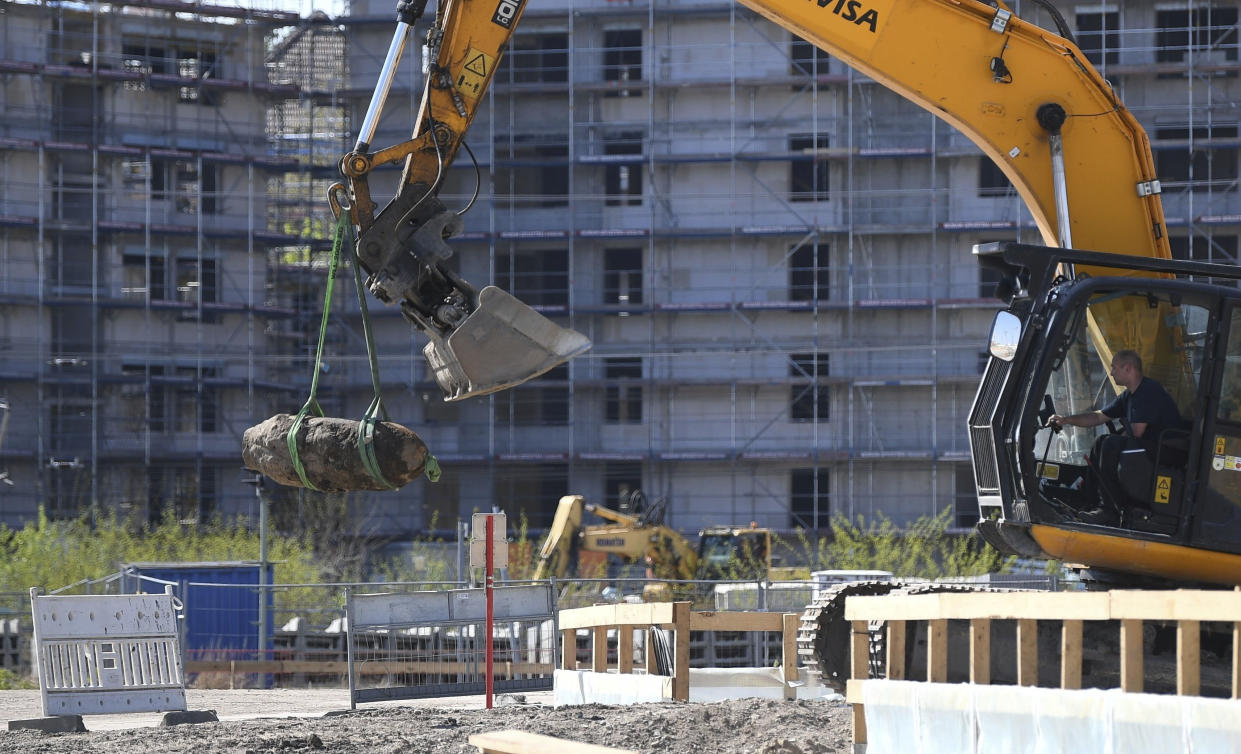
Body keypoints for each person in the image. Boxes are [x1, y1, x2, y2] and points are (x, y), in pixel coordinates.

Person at [1047, 350, 1182, 524]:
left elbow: (1136, 432)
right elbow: (1097, 417)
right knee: (1100, 442)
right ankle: (1090, 501)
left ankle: (1110, 511)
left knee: (1110, 444)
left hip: (1168, 449)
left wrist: (1112, 443)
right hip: (1150, 446)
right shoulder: (1128, 396)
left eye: (1114, 368)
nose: (1111, 372)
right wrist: (1065, 420)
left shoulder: (1148, 391)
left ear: (1128, 368)